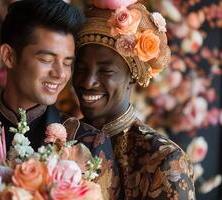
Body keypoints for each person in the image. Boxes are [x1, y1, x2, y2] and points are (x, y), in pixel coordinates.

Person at [0, 0, 113, 162]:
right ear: (9, 56)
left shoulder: (88, 143)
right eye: (46, 59)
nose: (60, 74)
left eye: (67, 63)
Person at [73, 1, 195, 199]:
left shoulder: (164, 159)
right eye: (80, 69)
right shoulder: (60, 139)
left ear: (131, 76)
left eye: (105, 71)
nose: (88, 82)